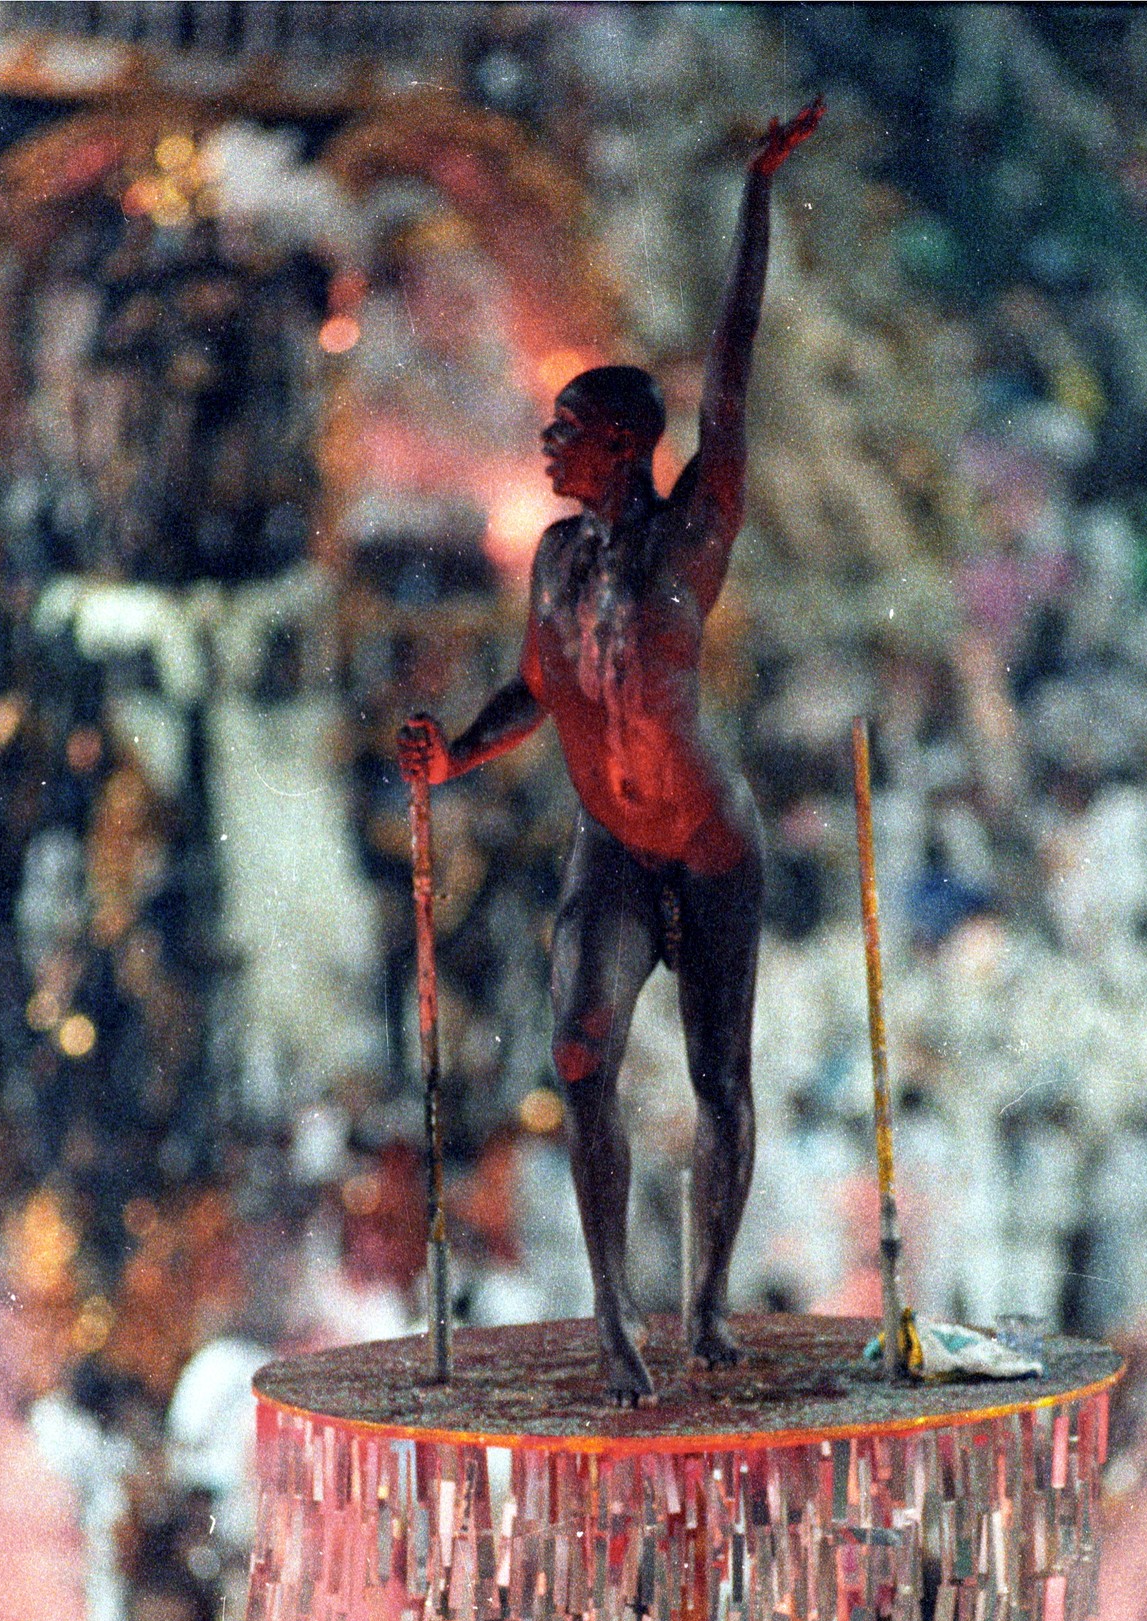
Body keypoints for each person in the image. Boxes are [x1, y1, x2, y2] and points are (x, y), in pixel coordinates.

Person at [400, 101, 823, 1402]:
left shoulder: (692, 532)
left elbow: (734, 358)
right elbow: (537, 690)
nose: (547, 443)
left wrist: (754, 193)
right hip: (610, 843)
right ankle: (610, 1314)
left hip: (708, 844)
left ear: (627, 447)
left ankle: (704, 1310)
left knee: (716, 1076)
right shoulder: (555, 557)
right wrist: (456, 756)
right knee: (579, 1055)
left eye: (570, 427)